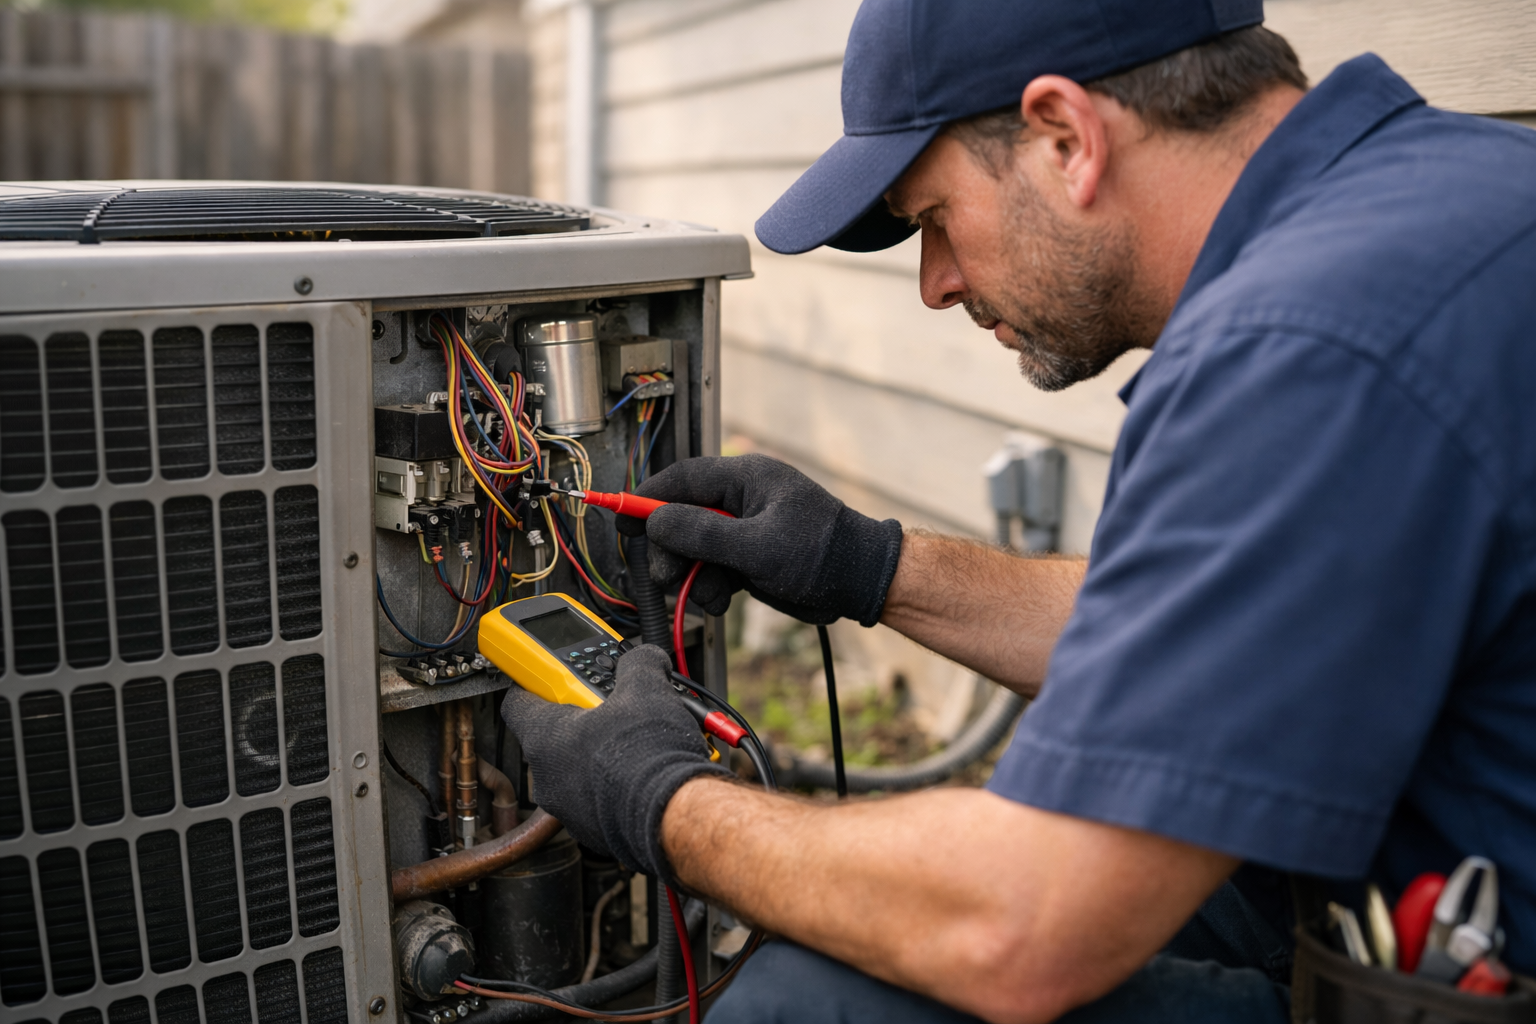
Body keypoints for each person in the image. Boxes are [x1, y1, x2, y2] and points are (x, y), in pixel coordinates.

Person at [501, 0, 1536, 1020]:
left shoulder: (1306, 348)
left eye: (933, 220)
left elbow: (1022, 929)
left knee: (812, 1001)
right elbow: (1201, 633)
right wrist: (869, 565)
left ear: (1064, 135)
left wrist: (660, 800)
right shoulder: (1436, 203)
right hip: (1414, 880)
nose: (936, 285)